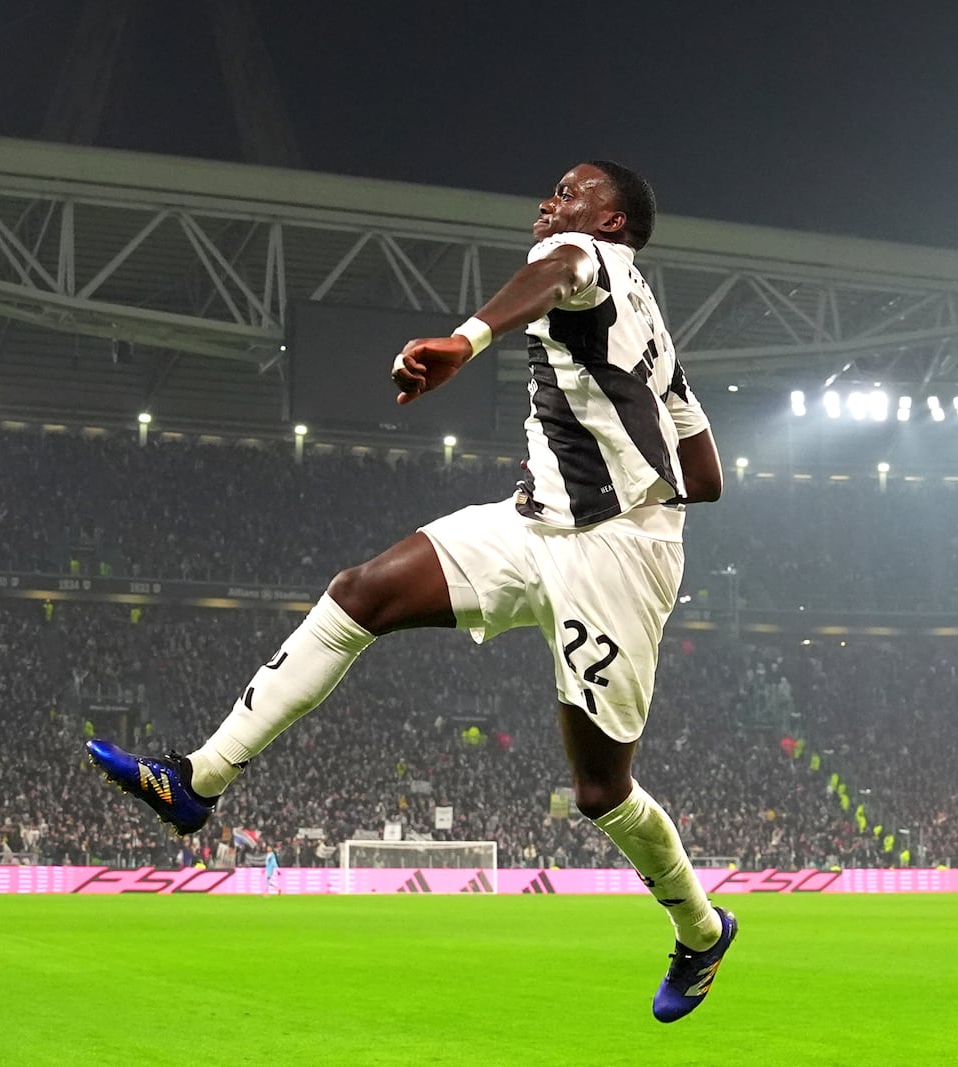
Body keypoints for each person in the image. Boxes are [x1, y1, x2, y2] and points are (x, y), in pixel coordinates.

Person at [88, 160, 734, 1023]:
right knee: (362, 593)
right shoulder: (649, 332)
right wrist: (606, 456)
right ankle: (197, 779)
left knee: (600, 791)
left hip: (612, 557)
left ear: (613, 224)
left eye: (573, 192)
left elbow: (558, 273)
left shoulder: (589, 260)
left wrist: (464, 344)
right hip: (536, 523)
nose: (552, 201)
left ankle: (700, 929)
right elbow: (708, 473)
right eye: (553, 191)